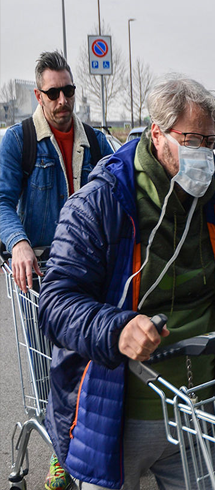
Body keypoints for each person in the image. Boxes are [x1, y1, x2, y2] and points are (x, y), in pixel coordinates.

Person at [38, 77, 215, 490]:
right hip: (116, 413)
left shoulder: (212, 201)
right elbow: (57, 304)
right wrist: (117, 328)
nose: (203, 153)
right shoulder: (101, 203)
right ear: (157, 133)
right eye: (191, 138)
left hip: (196, 408)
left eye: (210, 141)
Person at [0, 51, 114, 490]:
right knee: (50, 369)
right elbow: (3, 202)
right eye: (54, 93)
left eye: (68, 90)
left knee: (93, 362)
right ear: (39, 95)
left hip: (87, 270)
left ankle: (88, 448)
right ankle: (62, 459)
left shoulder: (97, 141)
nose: (63, 99)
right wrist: (20, 244)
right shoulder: (20, 140)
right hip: (41, 275)